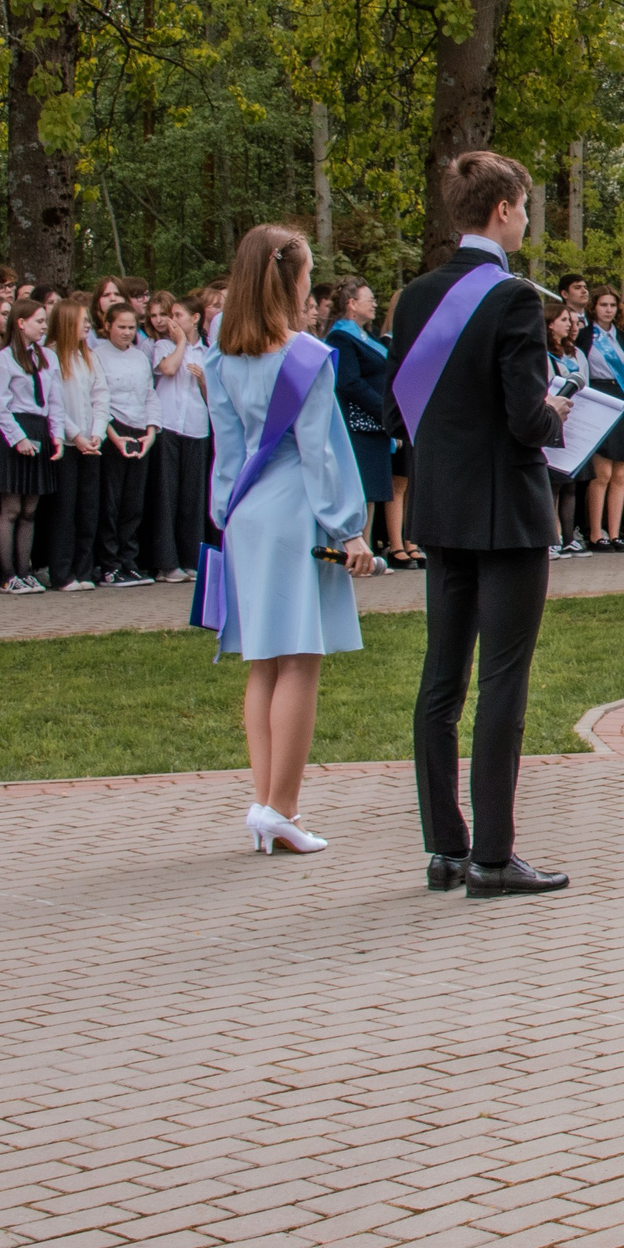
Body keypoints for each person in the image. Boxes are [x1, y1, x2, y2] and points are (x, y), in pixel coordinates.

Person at [386, 151, 572, 898]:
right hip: (509, 513)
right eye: (523, 206)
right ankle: (494, 854)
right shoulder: (515, 300)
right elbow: (525, 420)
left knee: (441, 680)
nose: (526, 219)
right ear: (501, 210)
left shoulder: (412, 298)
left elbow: (411, 408)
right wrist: (556, 409)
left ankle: (445, 848)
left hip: (440, 506)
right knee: (502, 680)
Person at [205, 225, 376, 856]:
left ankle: (264, 804)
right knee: (301, 657)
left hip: (246, 511)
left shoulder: (221, 357)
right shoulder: (304, 356)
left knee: (262, 660)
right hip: (294, 511)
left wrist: (226, 514)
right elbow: (321, 455)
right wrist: (349, 527)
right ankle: (284, 806)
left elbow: (227, 454)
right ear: (293, 278)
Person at [0, 298, 59, 593]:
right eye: (39, 321)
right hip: (14, 432)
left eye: (45, 321)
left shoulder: (47, 357)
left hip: (39, 429)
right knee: (11, 508)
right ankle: (8, 575)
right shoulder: (5, 358)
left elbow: (55, 399)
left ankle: (24, 570)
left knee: (31, 509)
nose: (44, 326)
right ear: (21, 323)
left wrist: (55, 435)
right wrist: (17, 438)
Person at [91, 301, 161, 586]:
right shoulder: (97, 355)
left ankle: (129, 561)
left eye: (132, 328)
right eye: (121, 327)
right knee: (111, 502)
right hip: (112, 431)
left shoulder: (139, 358)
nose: (127, 333)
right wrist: (112, 434)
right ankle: (109, 564)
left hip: (139, 429)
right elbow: (97, 397)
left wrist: (151, 430)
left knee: (134, 502)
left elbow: (149, 395)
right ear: (107, 325)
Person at [324, 281, 393, 560]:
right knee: (361, 489)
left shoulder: (370, 338)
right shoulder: (341, 338)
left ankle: (367, 552)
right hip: (357, 424)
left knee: (373, 490)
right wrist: (383, 409)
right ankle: (357, 552)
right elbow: (349, 382)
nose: (375, 303)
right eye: (369, 298)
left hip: (376, 425)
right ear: (351, 303)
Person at [149, 294, 213, 582]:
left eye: (178, 315)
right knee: (166, 495)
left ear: (195, 318)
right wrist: (181, 343)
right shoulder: (163, 345)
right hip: (169, 424)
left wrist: (202, 380)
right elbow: (169, 369)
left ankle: (191, 559)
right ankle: (166, 562)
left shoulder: (209, 351)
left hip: (197, 428)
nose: (171, 321)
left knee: (192, 497)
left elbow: (214, 399)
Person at [46, 295, 108, 590]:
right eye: (84, 321)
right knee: (65, 510)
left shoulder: (89, 356)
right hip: (68, 445)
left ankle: (84, 570)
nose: (88, 326)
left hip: (91, 444)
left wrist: (97, 432)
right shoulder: (51, 357)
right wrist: (76, 437)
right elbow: (53, 403)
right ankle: (62, 573)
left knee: (88, 509)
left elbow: (101, 396)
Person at [582, 287, 624, 552]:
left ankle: (616, 532)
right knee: (602, 472)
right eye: (603, 304)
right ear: (593, 307)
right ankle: (596, 533)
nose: (608, 309)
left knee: (620, 472)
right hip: (597, 397)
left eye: (612, 305)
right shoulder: (585, 336)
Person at [544, 302, 592, 557]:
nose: (569, 325)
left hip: (573, 421)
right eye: (563, 319)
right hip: (552, 420)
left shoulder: (572, 352)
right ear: (550, 322)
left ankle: (568, 536)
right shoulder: (543, 354)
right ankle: (550, 536)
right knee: (553, 483)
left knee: (570, 483)